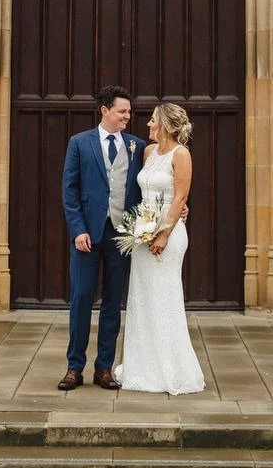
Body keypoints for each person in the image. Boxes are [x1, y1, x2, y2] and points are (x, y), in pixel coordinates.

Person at [114, 102, 205, 394]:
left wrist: (164, 233)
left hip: (169, 232)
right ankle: (143, 367)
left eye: (153, 121)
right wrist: (142, 227)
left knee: (165, 297)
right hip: (143, 230)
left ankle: (172, 369)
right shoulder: (149, 152)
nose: (148, 125)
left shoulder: (182, 155)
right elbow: (145, 191)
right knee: (142, 299)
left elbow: (179, 198)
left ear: (165, 125)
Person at [59, 84, 143, 390]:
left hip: (122, 235)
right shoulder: (80, 143)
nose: (127, 117)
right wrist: (77, 229)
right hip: (88, 234)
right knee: (81, 297)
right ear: (104, 110)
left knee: (112, 302)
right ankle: (74, 367)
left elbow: (149, 187)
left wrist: (179, 207)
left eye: (129, 112)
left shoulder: (137, 145)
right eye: (122, 111)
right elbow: (69, 190)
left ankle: (104, 367)